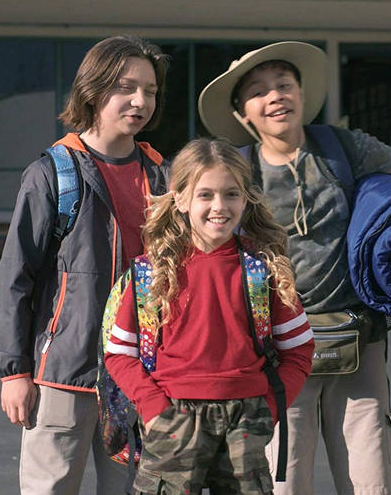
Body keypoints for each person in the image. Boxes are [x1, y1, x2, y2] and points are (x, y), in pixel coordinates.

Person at [197, 41, 391, 495]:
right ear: (242, 113)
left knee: (371, 482)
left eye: (283, 84)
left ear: (302, 93)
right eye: (258, 91)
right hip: (279, 350)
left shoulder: (343, 147)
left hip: (358, 342)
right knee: (285, 482)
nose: (275, 96)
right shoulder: (238, 171)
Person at [0, 35, 170, 493]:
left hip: (142, 377)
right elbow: (17, 277)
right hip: (65, 377)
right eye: (126, 87)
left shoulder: (162, 174)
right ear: (93, 89)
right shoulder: (53, 173)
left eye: (149, 90)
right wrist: (14, 371)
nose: (140, 100)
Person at [103, 138, 314, 494]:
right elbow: (120, 354)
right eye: (205, 195)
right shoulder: (151, 274)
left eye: (231, 194)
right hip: (171, 418)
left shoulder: (263, 271)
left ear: (246, 199)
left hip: (246, 422)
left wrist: (269, 409)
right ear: (181, 200)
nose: (220, 206)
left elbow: (299, 350)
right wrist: (154, 409)